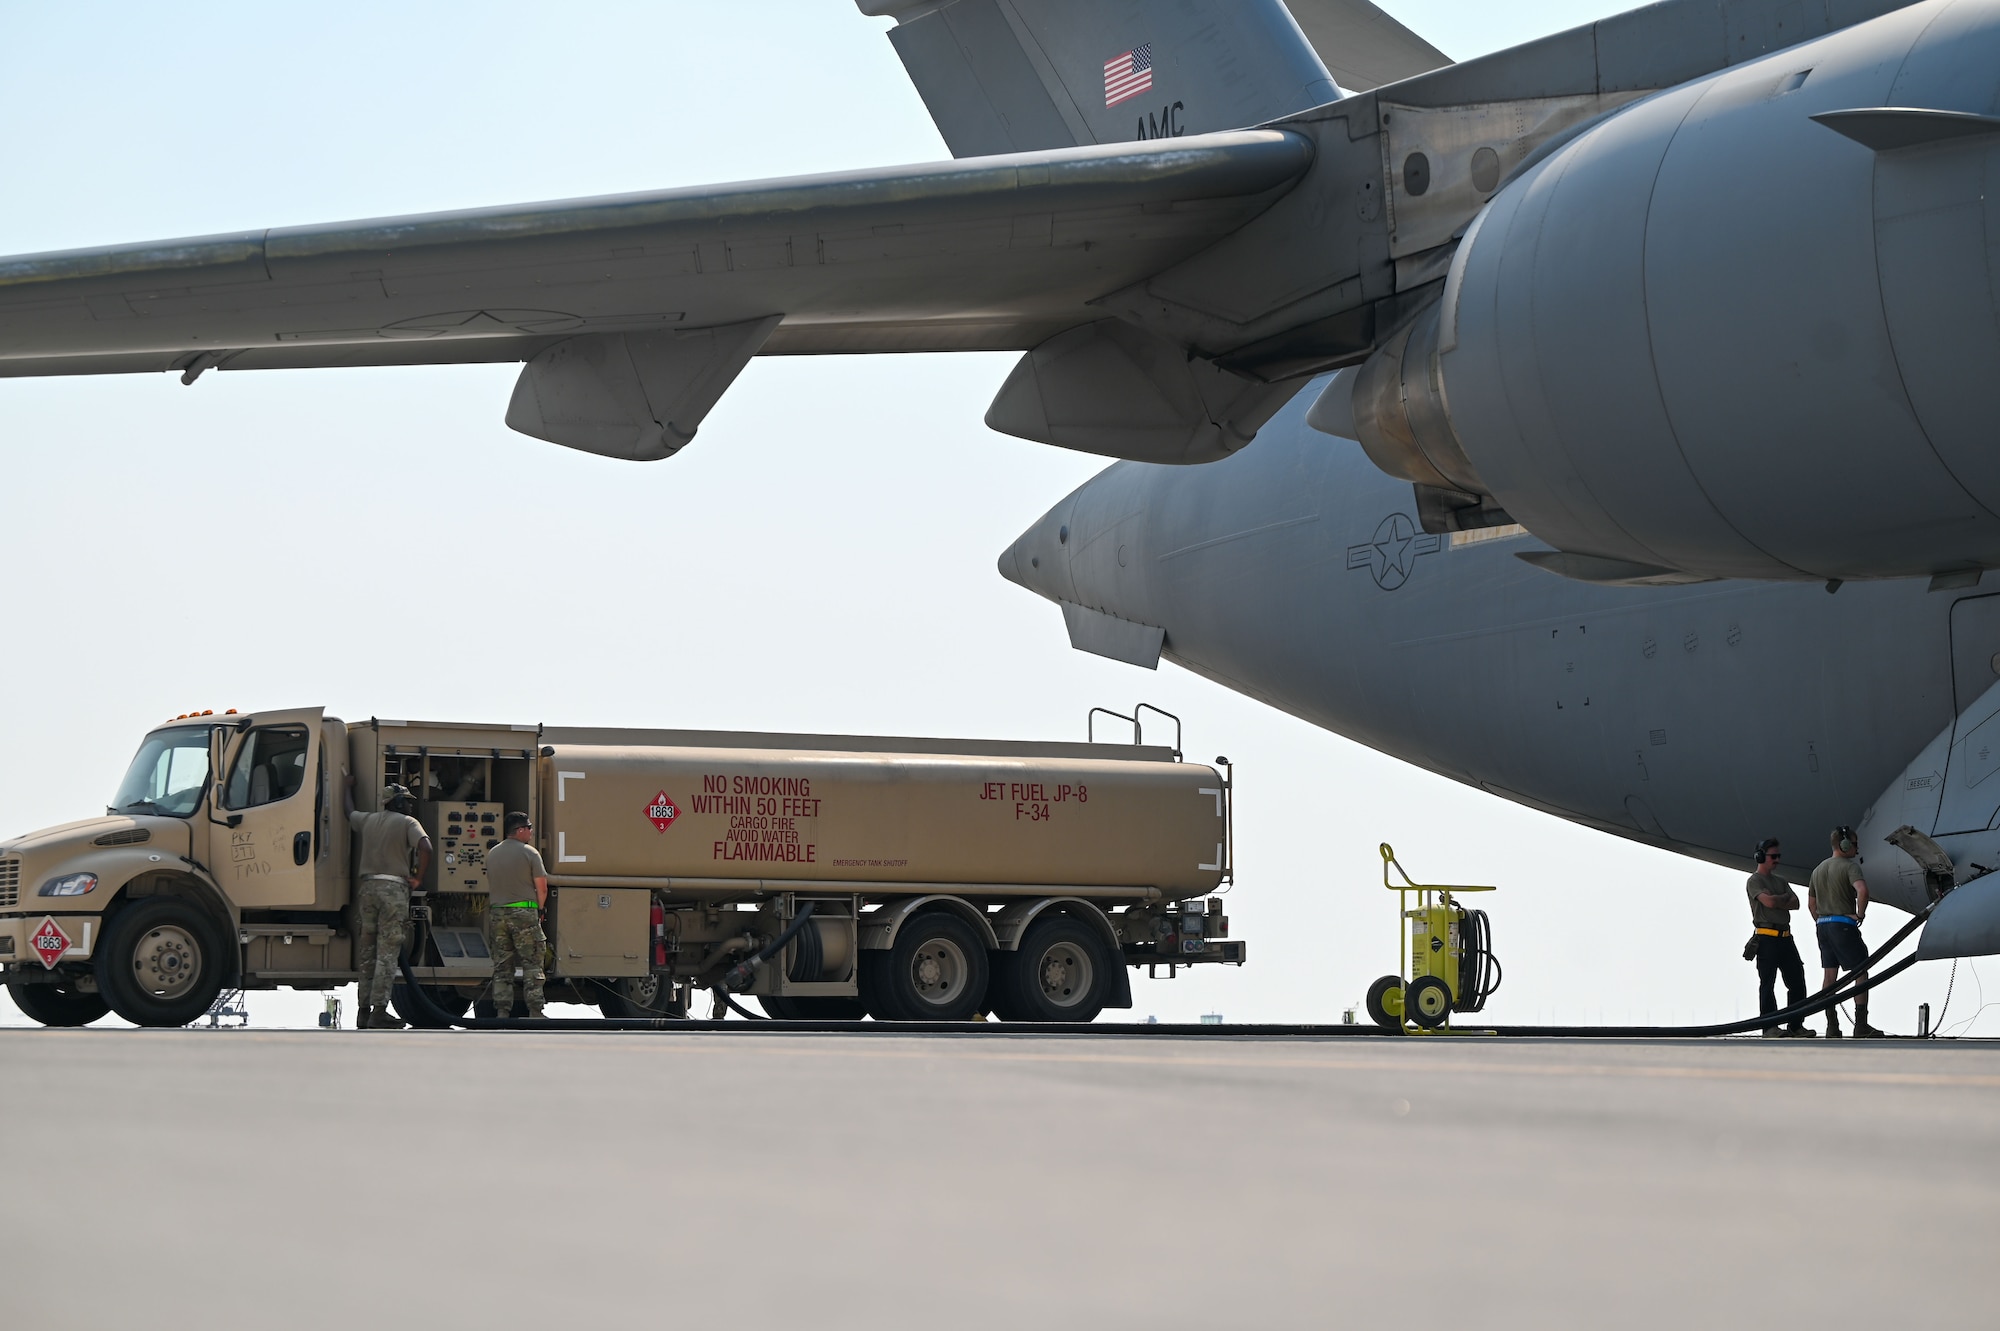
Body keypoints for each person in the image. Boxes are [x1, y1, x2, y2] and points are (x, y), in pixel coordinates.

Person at [347, 782, 432, 1030]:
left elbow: (348, 811)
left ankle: (363, 1012)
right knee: (387, 953)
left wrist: (346, 785)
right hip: (393, 890)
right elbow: (426, 847)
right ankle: (379, 1012)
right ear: (396, 802)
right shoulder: (408, 823)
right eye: (406, 800)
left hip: (368, 889)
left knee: (367, 954)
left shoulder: (368, 820)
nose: (410, 804)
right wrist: (417, 877)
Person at [1809, 825, 1886, 1038]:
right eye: (1854, 844)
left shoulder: (1817, 870)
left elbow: (1811, 905)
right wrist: (1860, 915)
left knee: (1829, 975)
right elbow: (1862, 891)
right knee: (1860, 971)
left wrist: (1822, 920)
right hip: (1843, 926)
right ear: (1844, 845)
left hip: (1823, 927)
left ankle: (1832, 1026)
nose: (1857, 848)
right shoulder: (1849, 867)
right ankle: (1861, 1025)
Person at [485, 812, 549, 1019]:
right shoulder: (530, 853)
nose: (531, 831)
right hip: (523, 914)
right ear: (520, 830)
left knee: (503, 966)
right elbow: (542, 888)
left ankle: (502, 1010)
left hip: (497, 914)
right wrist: (540, 909)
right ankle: (535, 1010)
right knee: (532, 963)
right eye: (529, 827)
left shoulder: (492, 853)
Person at [1746, 838, 1811, 1038]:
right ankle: (1769, 1027)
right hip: (1766, 938)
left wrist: (1777, 899)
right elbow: (1769, 902)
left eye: (1778, 856)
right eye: (1773, 856)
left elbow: (1796, 903)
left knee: (1797, 981)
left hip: (1785, 936)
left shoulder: (1781, 881)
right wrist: (1780, 899)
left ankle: (1795, 1025)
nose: (1777, 860)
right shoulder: (1754, 881)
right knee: (1768, 983)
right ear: (1760, 856)